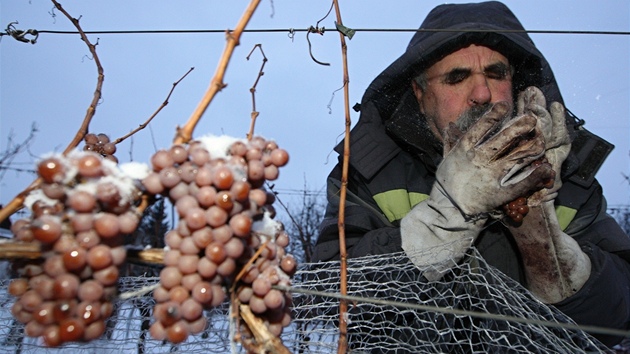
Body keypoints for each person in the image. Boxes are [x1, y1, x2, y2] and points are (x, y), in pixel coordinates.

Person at [313, 1, 630, 348]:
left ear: (518, 83)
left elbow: (616, 316)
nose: (482, 94)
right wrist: (444, 218)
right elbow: (335, 300)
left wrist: (546, 248)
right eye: (457, 77)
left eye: (497, 74)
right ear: (420, 94)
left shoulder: (565, 172)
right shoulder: (373, 169)